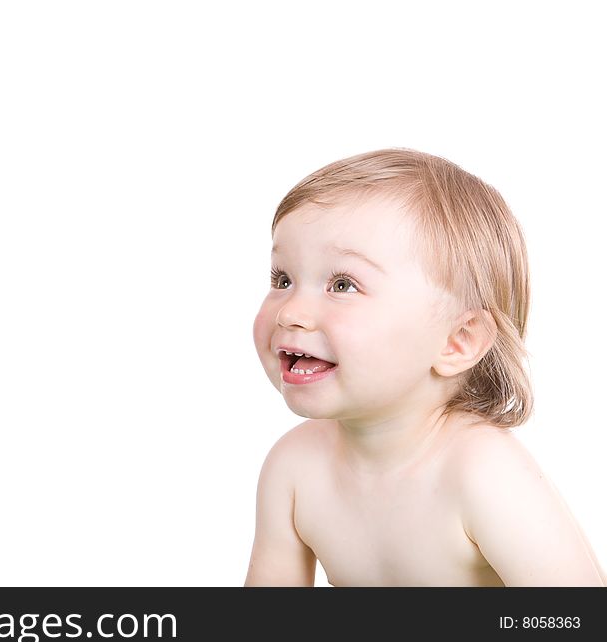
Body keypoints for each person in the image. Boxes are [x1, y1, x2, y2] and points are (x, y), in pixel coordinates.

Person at [245, 147, 605, 586]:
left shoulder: (481, 471)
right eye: (282, 279)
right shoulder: (294, 467)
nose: (290, 312)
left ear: (458, 341)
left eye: (343, 284)